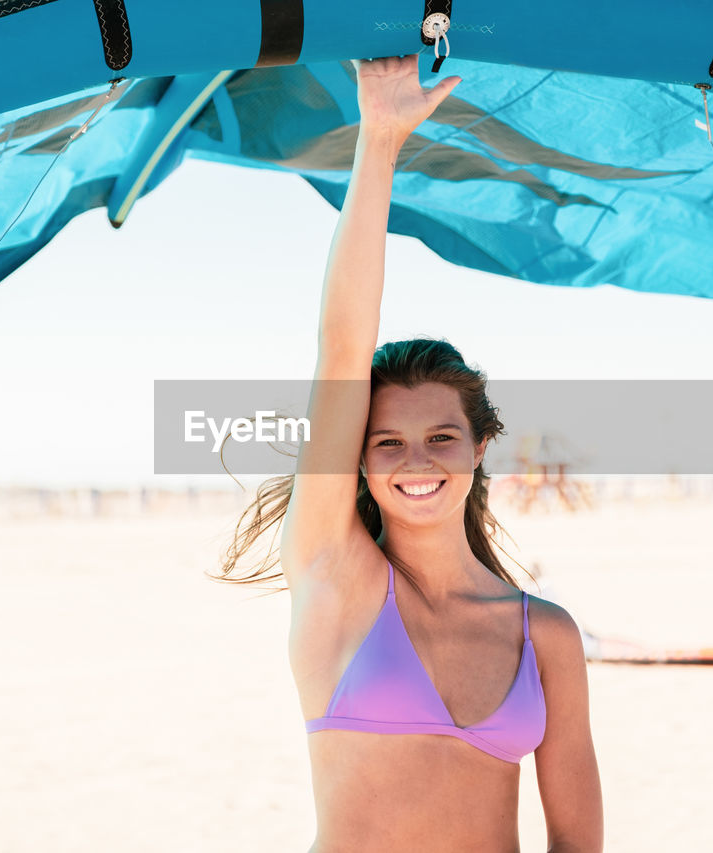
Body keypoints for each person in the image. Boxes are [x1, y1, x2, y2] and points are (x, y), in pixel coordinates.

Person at [217, 55, 602, 852]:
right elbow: (341, 350)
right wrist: (380, 139)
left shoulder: (546, 635)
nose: (415, 461)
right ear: (355, 460)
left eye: (440, 438)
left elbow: (577, 841)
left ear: (479, 446)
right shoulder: (335, 575)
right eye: (386, 442)